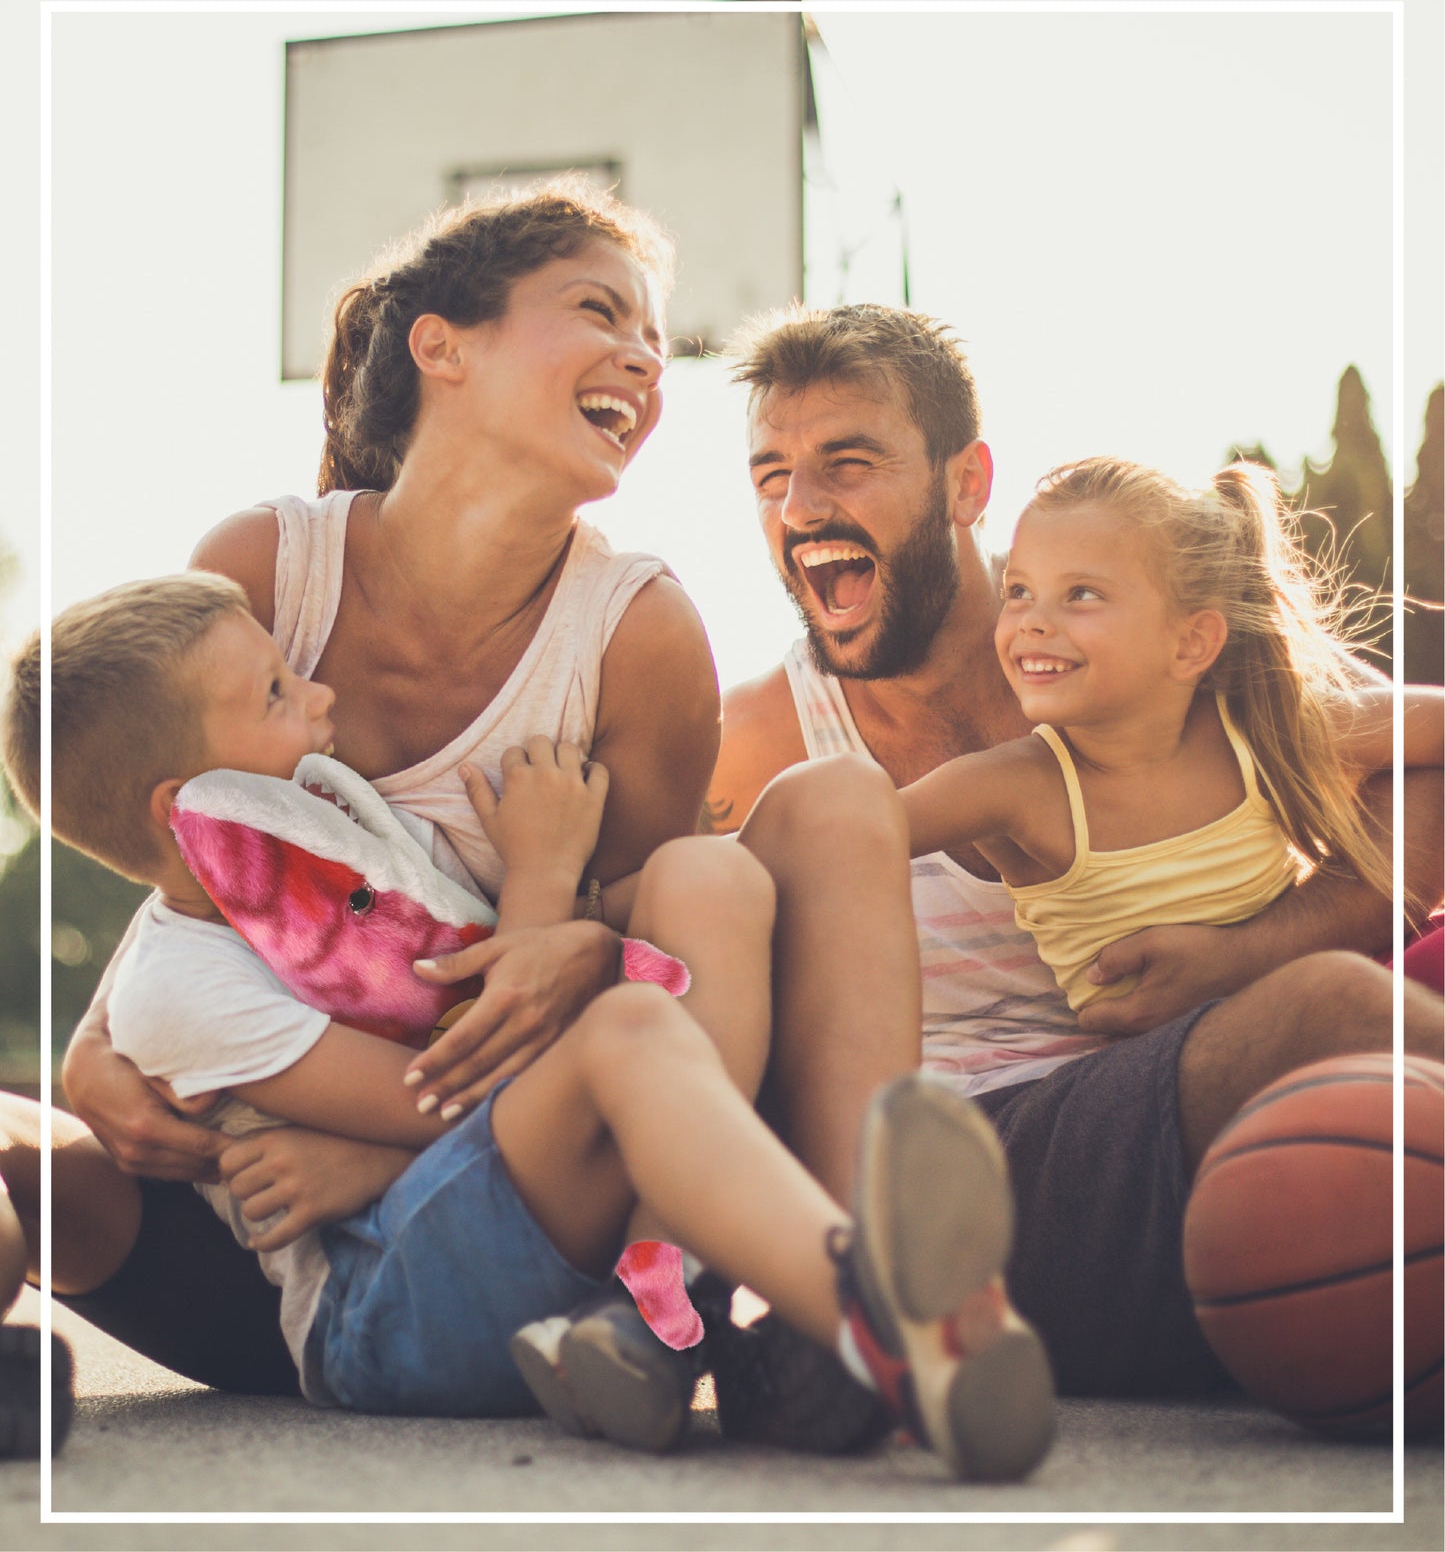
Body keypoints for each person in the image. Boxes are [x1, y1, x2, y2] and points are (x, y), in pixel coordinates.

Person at [42, 188, 925, 1441]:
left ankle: (793, 1299)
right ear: (440, 346)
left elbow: (647, 926)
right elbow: (186, 846)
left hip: (537, 1111)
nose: (641, 354)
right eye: (595, 309)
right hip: (308, 1179)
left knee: (817, 812)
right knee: (36, 1152)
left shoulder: (635, 629)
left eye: (653, 337)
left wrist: (578, 931)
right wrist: (94, 1042)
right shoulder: (265, 570)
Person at [1, 572, 1055, 1480]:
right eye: (277, 691)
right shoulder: (174, 986)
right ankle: (875, 1307)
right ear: (185, 803)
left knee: (703, 881)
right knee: (631, 1034)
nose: (317, 694)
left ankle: (721, 1310)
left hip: (490, 1224)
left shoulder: (350, 834)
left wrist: (611, 911)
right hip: (381, 1310)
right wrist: (545, 882)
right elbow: (450, 1090)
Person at [707, 302, 1444, 1399]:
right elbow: (661, 924)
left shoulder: (1130, 647)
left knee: (1356, 1056)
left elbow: (1409, 753)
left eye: (845, 463)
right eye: (770, 475)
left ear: (966, 483)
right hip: (968, 1170)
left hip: (1185, 1111)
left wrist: (1242, 952)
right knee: (1337, 1011)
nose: (800, 506)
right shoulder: (760, 736)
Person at [900, 454, 1445, 1014]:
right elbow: (852, 833)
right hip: (1185, 1057)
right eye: (1017, 590)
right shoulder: (1010, 785)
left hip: (1328, 993)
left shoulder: (1255, 733)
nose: (1032, 621)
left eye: (1081, 593)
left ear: (1190, 643)